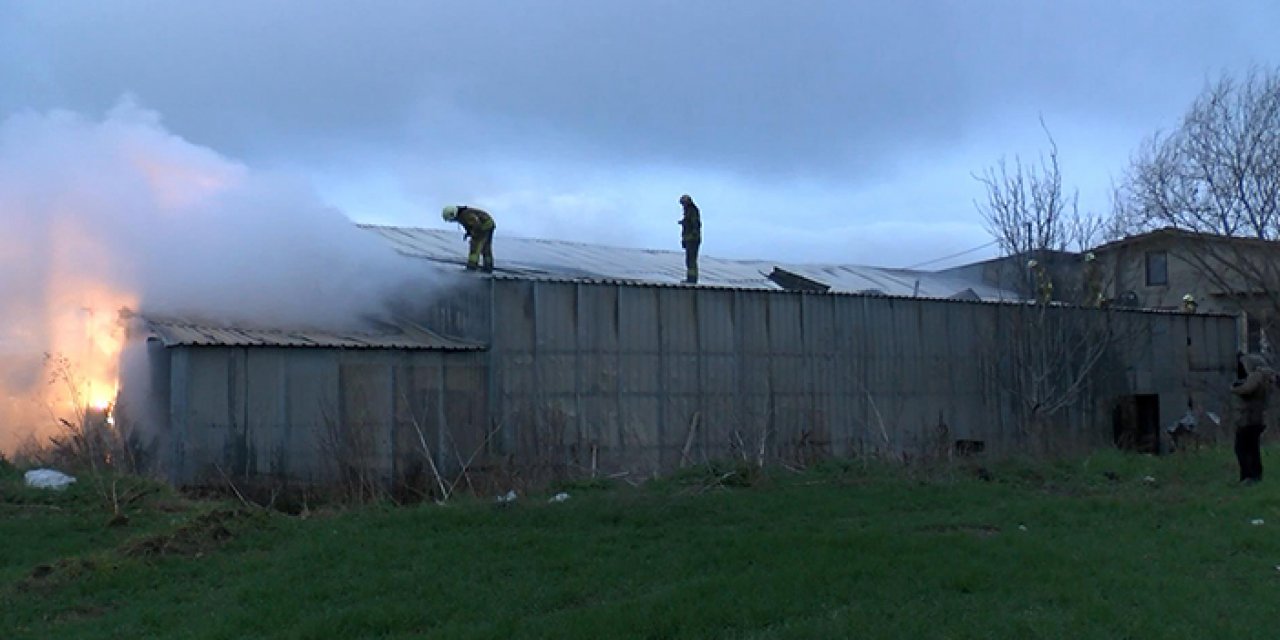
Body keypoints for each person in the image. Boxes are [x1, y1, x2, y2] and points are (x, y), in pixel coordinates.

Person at [1231, 353, 1275, 484]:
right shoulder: (1268, 376)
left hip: (1249, 418)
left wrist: (1234, 388)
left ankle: (1249, 476)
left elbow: (1247, 389)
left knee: (1242, 448)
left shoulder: (1257, 375)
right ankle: (1254, 476)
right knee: (1252, 448)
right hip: (1258, 417)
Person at [441, 205, 496, 273]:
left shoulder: (465, 215)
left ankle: (471, 267)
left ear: (453, 214)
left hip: (483, 227)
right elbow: (468, 225)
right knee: (486, 248)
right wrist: (468, 232)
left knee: (475, 246)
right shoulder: (462, 215)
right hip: (489, 225)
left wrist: (474, 235)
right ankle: (488, 267)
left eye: (450, 219)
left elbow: (476, 224)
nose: (452, 221)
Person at [678, 194, 701, 284]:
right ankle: (691, 278)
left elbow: (695, 223)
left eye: (683, 203)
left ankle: (692, 279)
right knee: (689, 260)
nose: (683, 205)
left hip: (692, 239)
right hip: (689, 239)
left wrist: (693, 235)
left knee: (691, 260)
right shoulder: (688, 211)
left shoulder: (693, 210)